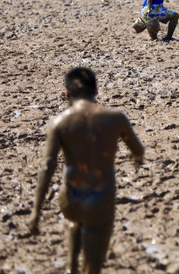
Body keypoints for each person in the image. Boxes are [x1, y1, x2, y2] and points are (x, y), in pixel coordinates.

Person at [28, 67, 145, 274]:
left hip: (70, 200)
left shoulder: (59, 122)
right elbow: (137, 149)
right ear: (96, 91)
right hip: (100, 200)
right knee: (93, 265)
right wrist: (136, 159)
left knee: (78, 220)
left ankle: (71, 265)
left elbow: (47, 166)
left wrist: (36, 212)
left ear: (67, 93)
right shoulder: (116, 118)